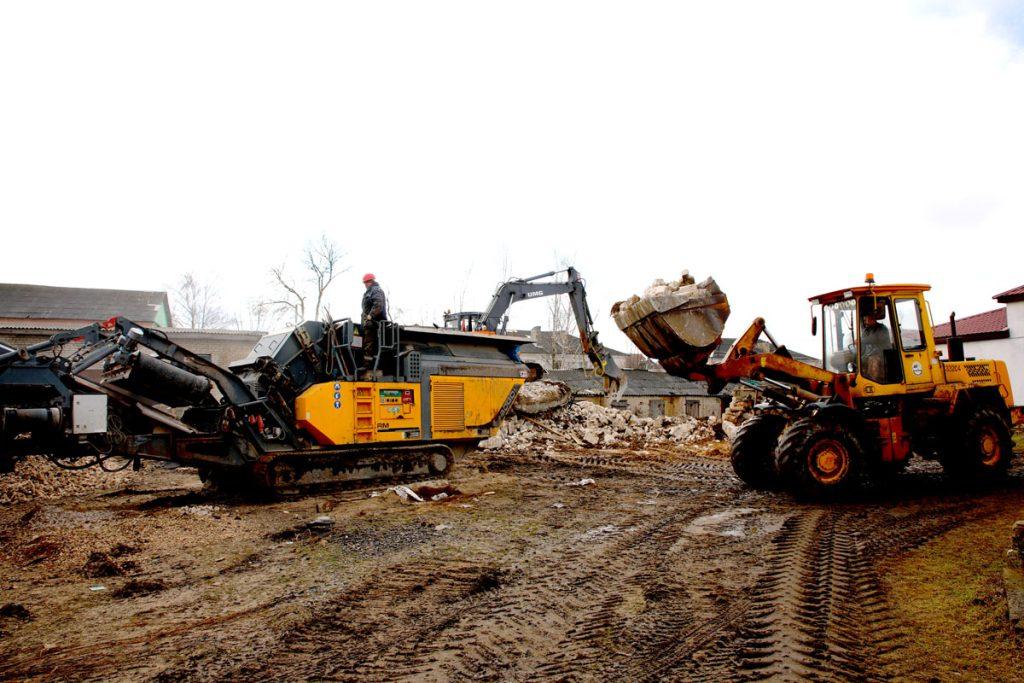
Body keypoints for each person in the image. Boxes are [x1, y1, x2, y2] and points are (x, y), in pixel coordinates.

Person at [360, 273, 388, 373]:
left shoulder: (376, 290)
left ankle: (367, 366)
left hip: (375, 323)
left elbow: (378, 305)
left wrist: (370, 316)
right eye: (364, 283)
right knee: (367, 344)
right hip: (369, 323)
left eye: (366, 282)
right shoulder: (369, 292)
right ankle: (368, 364)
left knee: (369, 344)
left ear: (371, 281)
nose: (365, 284)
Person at [860, 305, 893, 382]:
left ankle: (874, 381)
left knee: (873, 360)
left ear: (872, 318)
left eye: (866, 318)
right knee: (860, 359)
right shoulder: (867, 330)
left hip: (883, 354)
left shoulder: (882, 329)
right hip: (871, 354)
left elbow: (874, 339)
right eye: (864, 319)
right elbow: (863, 343)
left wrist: (861, 341)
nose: (864, 320)